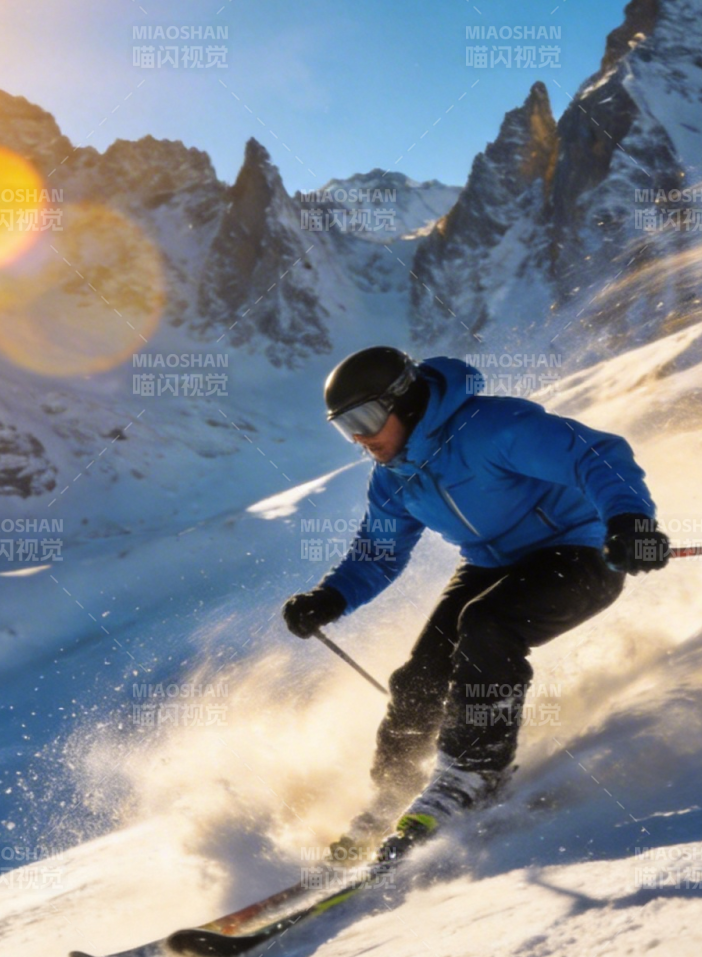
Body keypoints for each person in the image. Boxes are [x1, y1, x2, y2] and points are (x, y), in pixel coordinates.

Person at [282, 346, 670, 859]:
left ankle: (474, 771)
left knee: (486, 623)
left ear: (406, 402)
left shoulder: (491, 427)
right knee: (422, 672)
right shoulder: (394, 478)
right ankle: (394, 792)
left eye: (366, 417)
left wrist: (629, 521)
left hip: (582, 552)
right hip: (492, 564)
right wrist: (330, 597)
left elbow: (593, 455)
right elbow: (378, 553)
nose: (359, 436)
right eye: (344, 426)